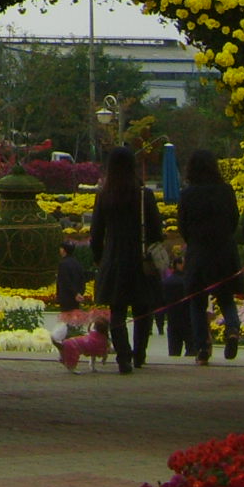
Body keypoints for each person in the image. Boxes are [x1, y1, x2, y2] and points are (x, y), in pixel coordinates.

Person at [87, 145, 161, 375]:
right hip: (140, 258)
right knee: (142, 309)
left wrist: (99, 258)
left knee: (117, 310)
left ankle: (123, 357)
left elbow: (96, 232)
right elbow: (156, 230)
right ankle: (139, 354)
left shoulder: (104, 195)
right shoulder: (143, 195)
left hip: (114, 257)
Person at [178, 151, 243, 364]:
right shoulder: (226, 191)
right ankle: (232, 329)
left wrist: (193, 240)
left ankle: (202, 348)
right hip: (224, 251)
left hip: (198, 252)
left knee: (197, 301)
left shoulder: (188, 194)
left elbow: (182, 225)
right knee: (225, 296)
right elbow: (234, 219)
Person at [55, 238, 92, 314]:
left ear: (63, 250)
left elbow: (65, 282)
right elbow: (82, 279)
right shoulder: (77, 263)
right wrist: (79, 293)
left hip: (66, 297)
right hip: (76, 299)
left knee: (66, 318)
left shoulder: (63, 264)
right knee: (74, 317)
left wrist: (74, 293)